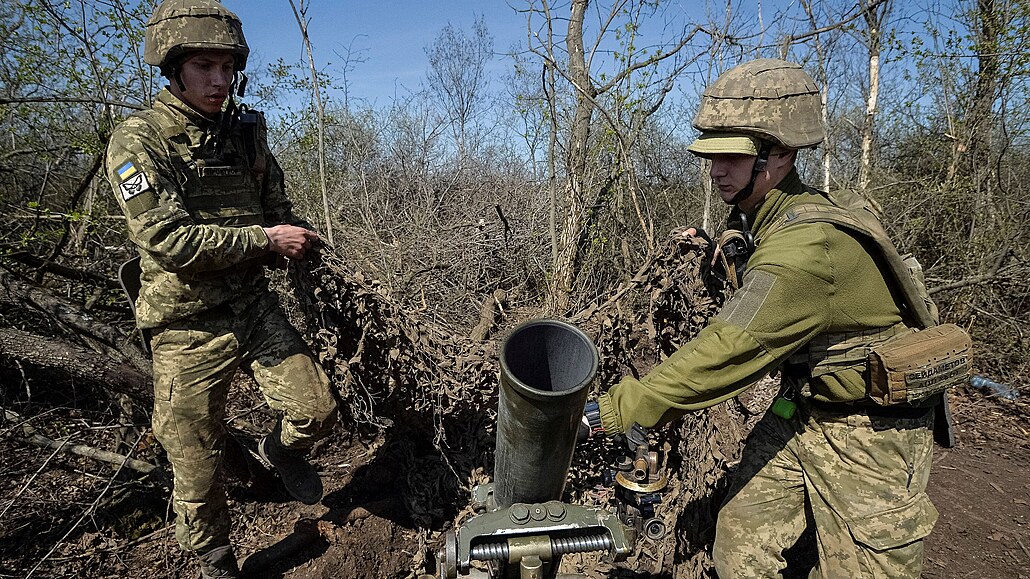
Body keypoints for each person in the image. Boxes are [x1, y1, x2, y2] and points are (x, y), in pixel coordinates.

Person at [581, 59, 947, 577]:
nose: (715, 171)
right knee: (741, 549)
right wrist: (725, 245)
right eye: (710, 156)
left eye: (731, 157)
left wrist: (611, 411)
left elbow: (731, 347)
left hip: (873, 433)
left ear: (781, 156)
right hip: (803, 409)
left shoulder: (805, 249)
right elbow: (756, 254)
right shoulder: (775, 211)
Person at [105, 1, 338, 576]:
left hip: (252, 306)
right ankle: (213, 558)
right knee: (195, 460)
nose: (218, 81)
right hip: (185, 323)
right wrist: (265, 240)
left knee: (317, 409)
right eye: (204, 66)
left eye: (227, 67)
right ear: (174, 68)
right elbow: (167, 238)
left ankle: (279, 451)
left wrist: (301, 241)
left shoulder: (247, 134)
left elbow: (277, 208)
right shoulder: (140, 140)